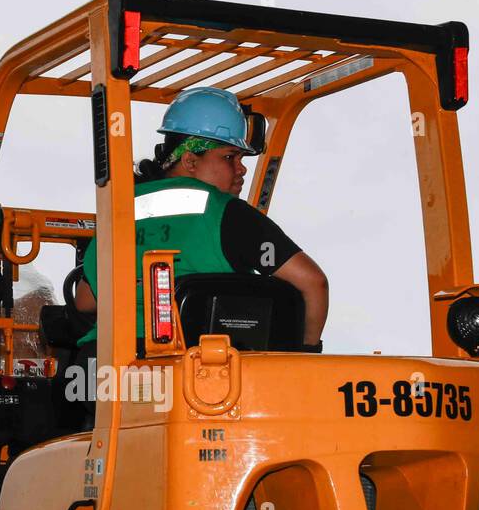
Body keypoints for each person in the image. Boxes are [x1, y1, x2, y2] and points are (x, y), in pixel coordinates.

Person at [74, 86, 329, 356]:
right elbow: (314, 283)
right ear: (190, 161)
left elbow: (85, 301)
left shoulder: (120, 208)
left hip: (103, 362)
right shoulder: (229, 214)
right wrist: (305, 354)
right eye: (229, 157)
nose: (241, 168)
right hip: (194, 372)